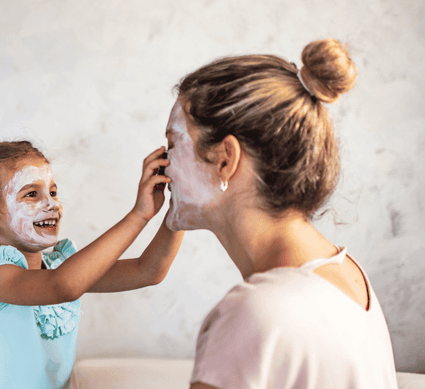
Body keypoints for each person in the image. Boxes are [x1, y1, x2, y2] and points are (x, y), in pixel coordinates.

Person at [161, 39, 398, 388]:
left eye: (172, 145)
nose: (162, 167)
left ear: (226, 160)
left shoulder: (254, 313)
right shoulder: (346, 274)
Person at [0, 140, 184, 388]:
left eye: (53, 192)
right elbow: (64, 286)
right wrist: (139, 215)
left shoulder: (59, 266)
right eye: (32, 194)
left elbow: (148, 271)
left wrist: (181, 208)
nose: (52, 204)